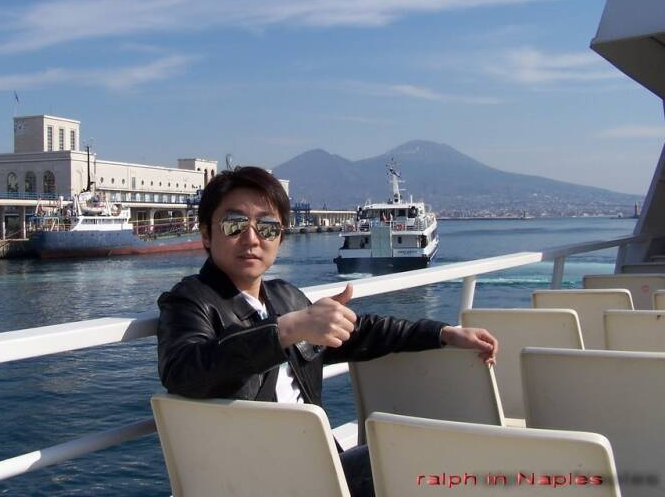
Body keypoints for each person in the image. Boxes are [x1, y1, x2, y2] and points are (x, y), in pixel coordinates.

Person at [157, 166, 498, 497]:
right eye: (234, 225)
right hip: (257, 473)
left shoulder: (283, 295)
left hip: (318, 460)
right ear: (205, 233)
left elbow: (364, 331)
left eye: (267, 227)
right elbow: (184, 369)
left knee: (439, 449)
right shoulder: (190, 300)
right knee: (414, 457)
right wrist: (287, 328)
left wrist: (443, 334)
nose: (251, 238)